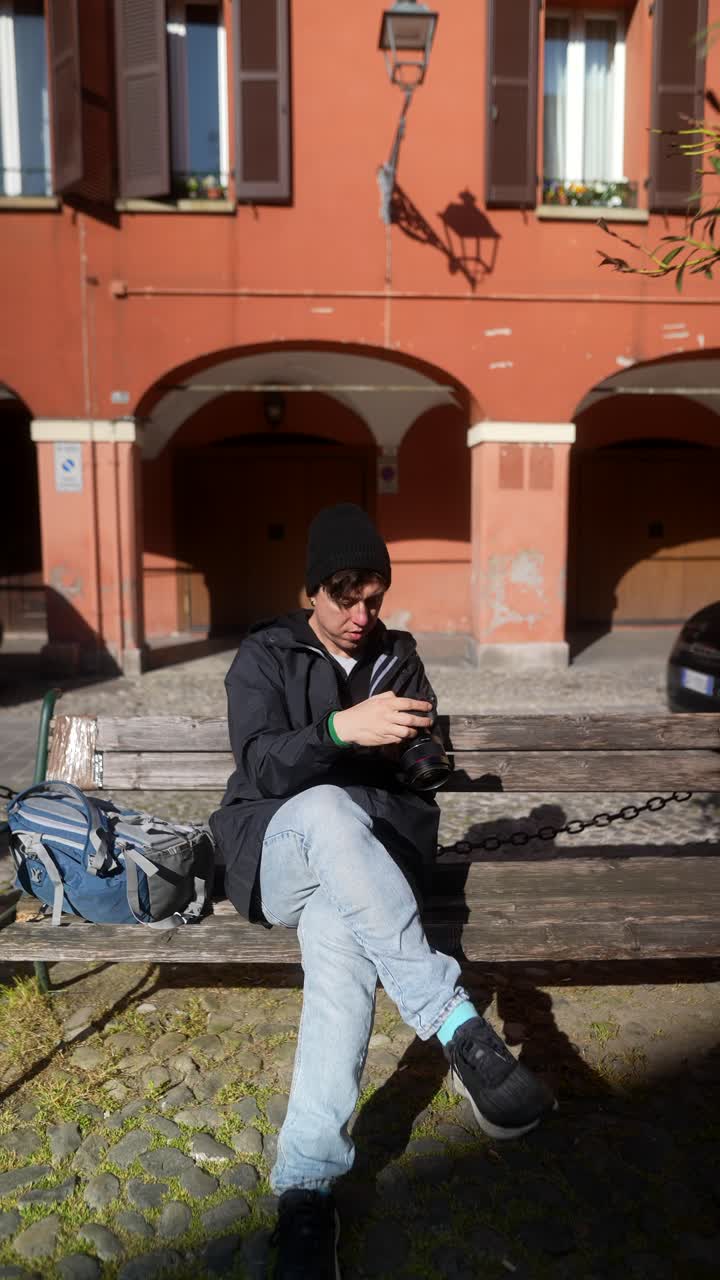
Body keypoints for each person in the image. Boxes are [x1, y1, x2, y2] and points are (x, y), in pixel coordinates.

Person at [211, 503, 555, 1279]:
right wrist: (341, 731)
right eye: (344, 596)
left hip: (366, 875)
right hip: (279, 855)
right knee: (328, 808)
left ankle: (305, 1189)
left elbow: (421, 770)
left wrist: (417, 752)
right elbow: (259, 767)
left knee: (340, 938)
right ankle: (455, 1023)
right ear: (311, 591)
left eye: (374, 597)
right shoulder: (264, 656)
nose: (362, 615)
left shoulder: (398, 655)